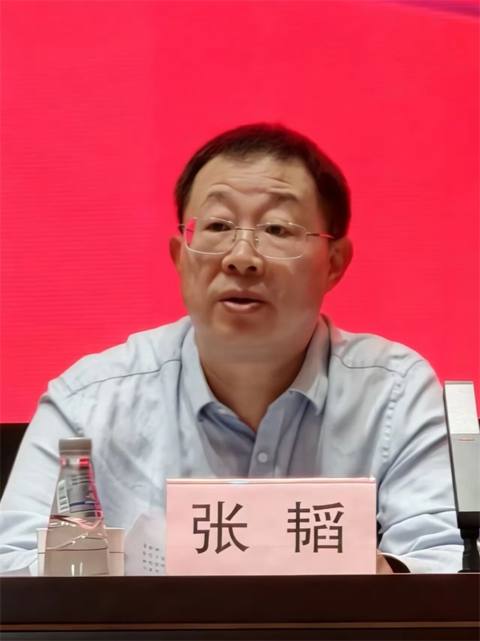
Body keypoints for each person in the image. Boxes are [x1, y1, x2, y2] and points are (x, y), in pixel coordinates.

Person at [0, 123, 462, 575]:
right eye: (218, 225)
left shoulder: (394, 394)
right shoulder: (87, 403)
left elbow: (445, 566)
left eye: (278, 229)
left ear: (335, 262)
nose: (242, 257)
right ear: (180, 257)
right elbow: (12, 572)